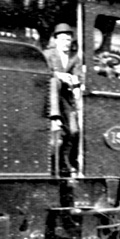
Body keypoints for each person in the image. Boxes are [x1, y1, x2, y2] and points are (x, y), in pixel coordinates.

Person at [43, 23, 81, 176]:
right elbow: (44, 72)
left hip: (66, 98)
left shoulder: (74, 58)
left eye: (68, 40)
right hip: (48, 95)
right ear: (56, 40)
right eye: (63, 39)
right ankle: (54, 116)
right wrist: (59, 75)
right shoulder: (48, 54)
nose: (66, 43)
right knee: (54, 81)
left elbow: (79, 76)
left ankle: (65, 160)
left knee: (73, 131)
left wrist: (76, 84)